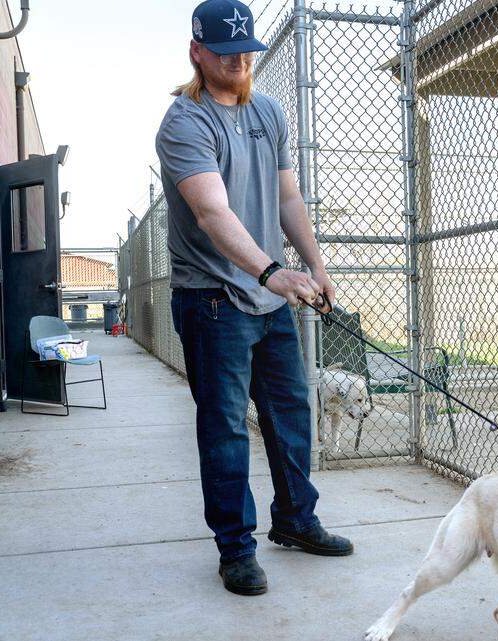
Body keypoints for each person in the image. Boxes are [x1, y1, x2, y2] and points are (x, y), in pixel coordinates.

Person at [154, 0, 353, 597]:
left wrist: (314, 267)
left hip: (272, 299)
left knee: (290, 416)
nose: (239, 62)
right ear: (197, 51)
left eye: (247, 52)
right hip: (214, 300)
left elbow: (288, 198)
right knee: (225, 430)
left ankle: (295, 521)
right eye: (225, 52)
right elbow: (212, 211)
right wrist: (271, 272)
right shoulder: (184, 122)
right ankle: (235, 548)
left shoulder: (268, 111)